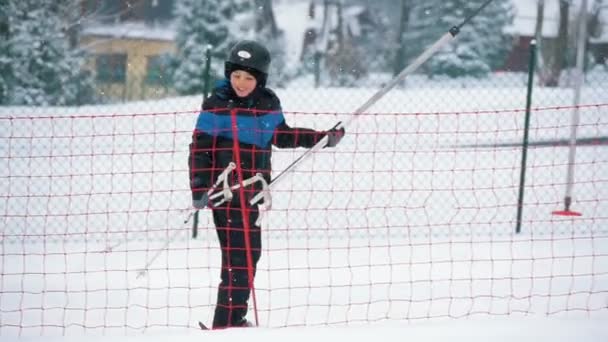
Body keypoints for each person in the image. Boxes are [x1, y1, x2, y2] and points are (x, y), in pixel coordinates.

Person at [188, 40, 345, 329]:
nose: (241, 83)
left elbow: (282, 136)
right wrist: (199, 187)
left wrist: (322, 138)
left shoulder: (267, 103)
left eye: (249, 77)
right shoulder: (217, 105)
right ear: (228, 74)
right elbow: (200, 150)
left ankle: (235, 319)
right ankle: (225, 325)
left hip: (253, 196)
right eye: (236, 76)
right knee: (238, 260)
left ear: (260, 79)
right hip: (227, 195)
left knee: (249, 258)